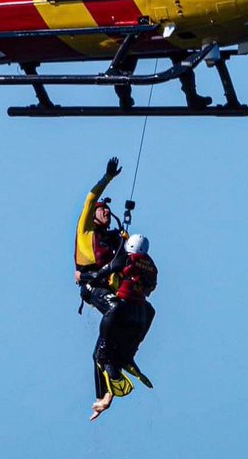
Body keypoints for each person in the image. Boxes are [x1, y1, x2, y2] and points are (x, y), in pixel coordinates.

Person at [81, 233, 158, 421]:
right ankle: (109, 394)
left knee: (101, 355)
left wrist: (85, 276)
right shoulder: (151, 266)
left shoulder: (128, 259)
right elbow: (150, 288)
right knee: (118, 356)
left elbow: (110, 269)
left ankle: (102, 395)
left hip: (121, 311)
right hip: (140, 315)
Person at [74, 157, 124, 314]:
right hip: (91, 285)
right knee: (116, 307)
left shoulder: (110, 238)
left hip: (109, 285)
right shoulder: (86, 229)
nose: (107, 211)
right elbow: (91, 199)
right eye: (102, 209)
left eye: (108, 209)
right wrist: (108, 177)